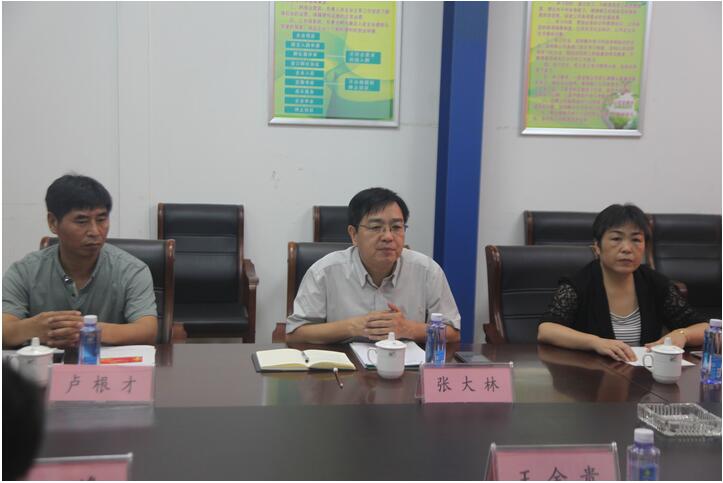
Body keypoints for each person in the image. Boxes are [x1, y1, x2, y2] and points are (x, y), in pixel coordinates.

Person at [286, 187, 461, 344]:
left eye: (396, 227)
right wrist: (352, 327)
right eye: (376, 227)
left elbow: (453, 332)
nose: (388, 237)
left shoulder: (427, 271)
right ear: (354, 234)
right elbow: (295, 333)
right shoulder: (324, 272)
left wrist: (409, 329)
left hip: (406, 366)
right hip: (343, 367)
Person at [2, 174, 158, 349]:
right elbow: (4, 328)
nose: (95, 231)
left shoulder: (132, 270)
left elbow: (148, 330)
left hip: (107, 364)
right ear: (53, 222)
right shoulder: (24, 271)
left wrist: (85, 330)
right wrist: (33, 329)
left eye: (101, 219)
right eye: (81, 221)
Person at [538, 203, 708, 362]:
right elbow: (547, 330)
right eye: (616, 239)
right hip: (591, 375)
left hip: (644, 376)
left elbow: (706, 328)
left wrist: (683, 334)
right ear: (597, 247)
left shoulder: (655, 283)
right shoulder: (578, 284)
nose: (627, 248)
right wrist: (595, 342)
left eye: (636, 240)